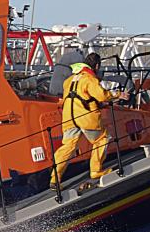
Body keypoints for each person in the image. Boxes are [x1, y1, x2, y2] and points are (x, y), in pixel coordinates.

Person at [51, 53, 128, 186]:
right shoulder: (89, 79)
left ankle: (55, 178)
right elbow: (102, 95)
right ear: (96, 66)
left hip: (69, 118)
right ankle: (96, 170)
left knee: (68, 146)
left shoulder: (69, 80)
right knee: (102, 139)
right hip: (85, 117)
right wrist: (118, 94)